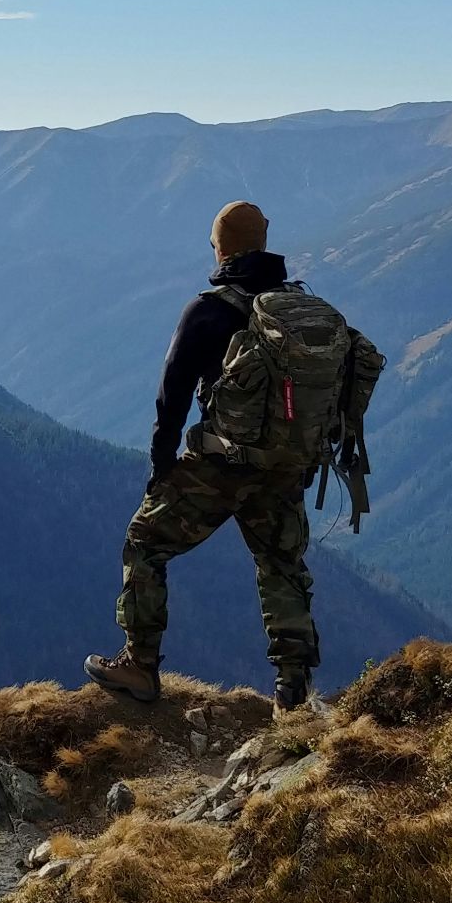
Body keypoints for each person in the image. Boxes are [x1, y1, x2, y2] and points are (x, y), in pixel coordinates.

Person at [84, 200, 324, 712]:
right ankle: (294, 688)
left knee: (144, 541)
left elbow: (172, 394)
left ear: (222, 245)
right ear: (263, 242)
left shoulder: (209, 310)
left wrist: (161, 466)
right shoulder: (295, 310)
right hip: (283, 466)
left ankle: (140, 665)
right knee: (281, 565)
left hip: (220, 464)